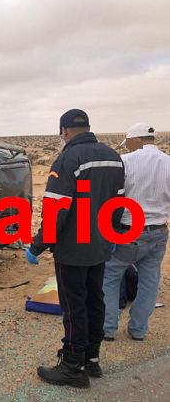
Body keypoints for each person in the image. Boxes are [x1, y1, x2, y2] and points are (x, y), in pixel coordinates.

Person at [25, 109, 125, 388]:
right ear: (88, 128)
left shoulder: (68, 159)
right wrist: (112, 236)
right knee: (95, 301)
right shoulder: (113, 157)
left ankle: (72, 367)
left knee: (73, 307)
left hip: (72, 250)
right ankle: (92, 359)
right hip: (100, 246)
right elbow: (118, 204)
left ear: (64, 131)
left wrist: (37, 245)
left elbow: (56, 211)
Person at [103, 123, 170, 341]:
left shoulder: (125, 161)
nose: (126, 147)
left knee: (110, 277)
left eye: (128, 143)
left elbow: (113, 196)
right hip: (158, 231)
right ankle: (138, 329)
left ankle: (107, 328)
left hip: (128, 230)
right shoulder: (168, 162)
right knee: (150, 281)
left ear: (137, 140)